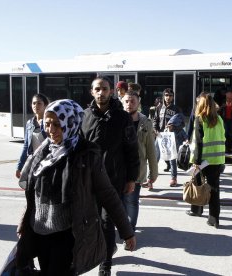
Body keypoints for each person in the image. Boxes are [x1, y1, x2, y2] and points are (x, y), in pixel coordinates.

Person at [15, 99, 136, 275]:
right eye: (47, 124)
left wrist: (127, 231)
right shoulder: (43, 151)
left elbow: (108, 194)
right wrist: (23, 223)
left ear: (71, 122)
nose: (51, 130)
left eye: (57, 124)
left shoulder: (86, 155)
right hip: (39, 230)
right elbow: (34, 192)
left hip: (66, 234)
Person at [80, 76, 139, 276]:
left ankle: (105, 264)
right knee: (91, 221)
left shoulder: (122, 118)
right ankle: (104, 250)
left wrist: (132, 178)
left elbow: (132, 149)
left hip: (113, 181)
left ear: (111, 91)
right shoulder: (85, 116)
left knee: (107, 222)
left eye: (105, 89)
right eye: (97, 89)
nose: (101, 92)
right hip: (88, 181)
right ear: (91, 92)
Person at [186, 92, 225, 228]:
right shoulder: (219, 119)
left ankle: (196, 210)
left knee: (198, 186)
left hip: (202, 160)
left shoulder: (199, 119)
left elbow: (197, 143)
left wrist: (196, 162)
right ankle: (214, 219)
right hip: (217, 160)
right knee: (214, 190)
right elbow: (223, 138)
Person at [121, 92, 158, 230]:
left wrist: (153, 173)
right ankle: (124, 226)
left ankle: (129, 230)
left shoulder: (145, 122)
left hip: (137, 169)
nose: (129, 104)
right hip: (119, 169)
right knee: (120, 201)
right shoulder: (116, 119)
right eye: (126, 101)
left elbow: (151, 150)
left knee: (131, 201)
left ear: (138, 103)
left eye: (132, 101)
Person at [153, 88, 182, 185]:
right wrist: (155, 130)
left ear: (173, 97)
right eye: (166, 95)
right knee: (155, 156)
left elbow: (182, 124)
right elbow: (155, 120)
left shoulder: (176, 109)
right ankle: (151, 178)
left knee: (172, 158)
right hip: (160, 135)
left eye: (170, 95)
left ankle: (174, 178)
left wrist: (174, 127)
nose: (168, 97)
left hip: (170, 136)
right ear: (163, 96)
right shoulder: (159, 107)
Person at [15, 93, 49, 179]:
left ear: (45, 105)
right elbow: (26, 146)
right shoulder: (29, 123)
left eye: (39, 103)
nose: (36, 105)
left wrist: (43, 125)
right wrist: (19, 166)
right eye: (34, 103)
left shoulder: (49, 123)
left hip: (47, 162)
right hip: (33, 163)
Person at [166, 113, 188, 185]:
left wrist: (186, 141)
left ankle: (194, 176)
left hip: (180, 151)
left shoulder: (180, 131)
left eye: (171, 126)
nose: (170, 127)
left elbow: (186, 137)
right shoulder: (167, 130)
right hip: (171, 150)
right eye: (169, 126)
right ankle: (173, 178)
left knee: (183, 163)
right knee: (172, 163)